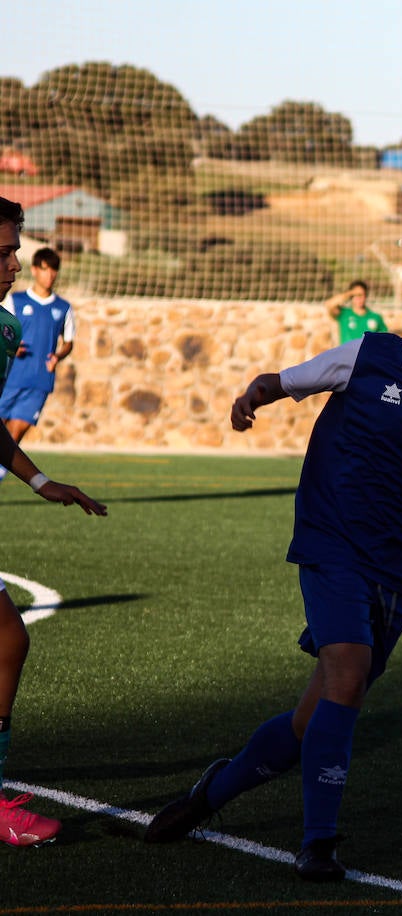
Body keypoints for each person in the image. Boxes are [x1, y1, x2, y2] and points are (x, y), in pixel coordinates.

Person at [144, 266, 402, 881]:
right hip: (331, 541)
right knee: (347, 673)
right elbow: (284, 381)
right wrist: (251, 399)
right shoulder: (367, 357)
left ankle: (210, 794)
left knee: (310, 720)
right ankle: (318, 844)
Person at [0, 197, 108, 847]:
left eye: (14, 249)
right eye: (3, 251)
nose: (12, 262)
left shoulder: (3, 331)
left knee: (9, 640)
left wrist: (40, 481)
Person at [0, 247, 77, 480]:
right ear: (35, 270)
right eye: (45, 270)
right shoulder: (16, 300)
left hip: (39, 381)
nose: (49, 275)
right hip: (13, 377)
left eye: (53, 270)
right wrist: (14, 346)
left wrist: (58, 356)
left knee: (16, 433)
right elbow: (5, 332)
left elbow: (69, 342)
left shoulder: (63, 308)